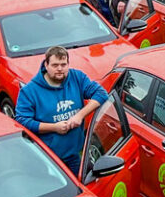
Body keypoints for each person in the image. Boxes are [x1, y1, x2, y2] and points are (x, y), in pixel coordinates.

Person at [14, 46, 108, 174]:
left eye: (63, 65)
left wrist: (79, 115)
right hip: (48, 159)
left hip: (76, 155)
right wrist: (54, 127)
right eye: (55, 65)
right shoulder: (29, 91)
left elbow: (101, 94)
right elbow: (22, 121)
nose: (60, 69)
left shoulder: (77, 77)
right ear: (46, 65)